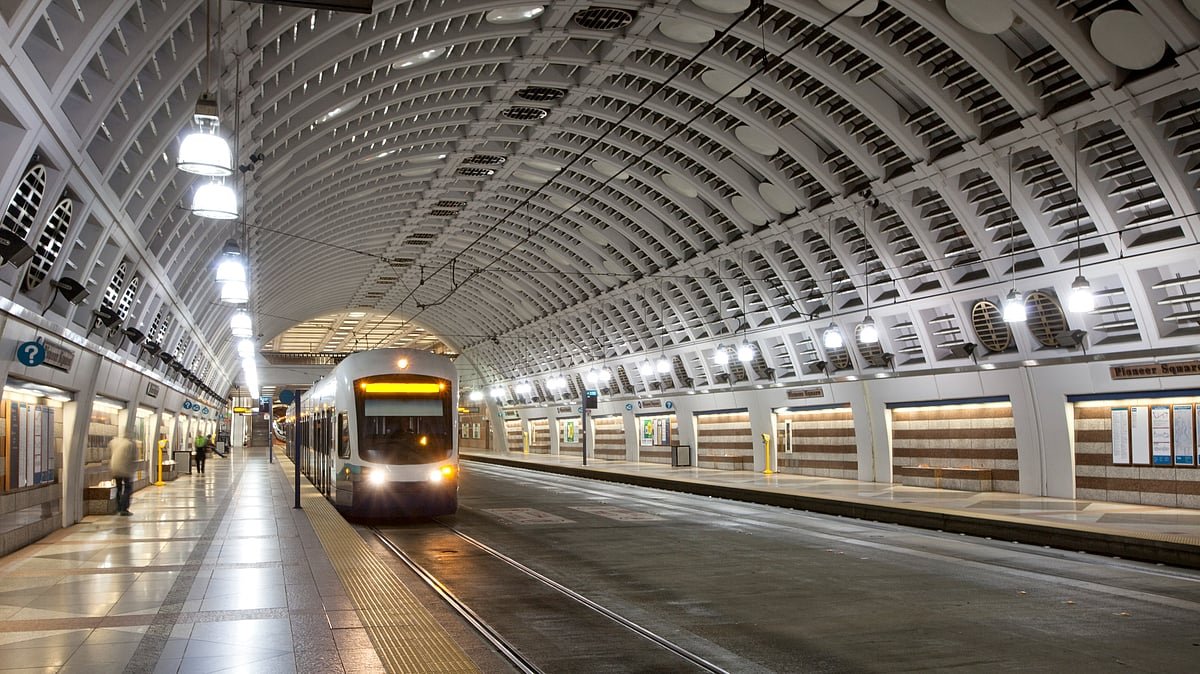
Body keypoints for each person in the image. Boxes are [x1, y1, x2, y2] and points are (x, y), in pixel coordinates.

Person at [108, 434, 135, 516]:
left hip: (115, 468)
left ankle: (119, 507)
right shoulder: (129, 444)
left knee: (118, 488)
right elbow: (131, 458)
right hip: (125, 469)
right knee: (128, 488)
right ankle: (124, 509)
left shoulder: (114, 442)